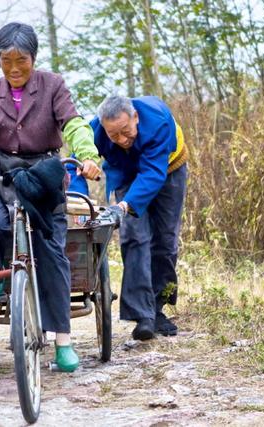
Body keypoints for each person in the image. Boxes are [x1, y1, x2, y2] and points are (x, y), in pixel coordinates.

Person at [0, 22, 101, 372]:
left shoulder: (53, 85)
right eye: (6, 60)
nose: (14, 68)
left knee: (53, 253)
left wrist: (88, 154)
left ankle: (63, 342)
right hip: (4, 174)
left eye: (21, 60)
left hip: (43, 175)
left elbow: (73, 123)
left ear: (34, 58)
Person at [88, 95, 188, 340]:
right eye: (114, 136)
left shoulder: (158, 121)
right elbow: (82, 160)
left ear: (135, 117)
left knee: (165, 241)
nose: (122, 140)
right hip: (125, 173)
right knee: (134, 236)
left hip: (167, 170)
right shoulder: (95, 130)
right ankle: (143, 316)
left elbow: (153, 174)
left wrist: (124, 205)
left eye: (126, 131)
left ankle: (157, 308)